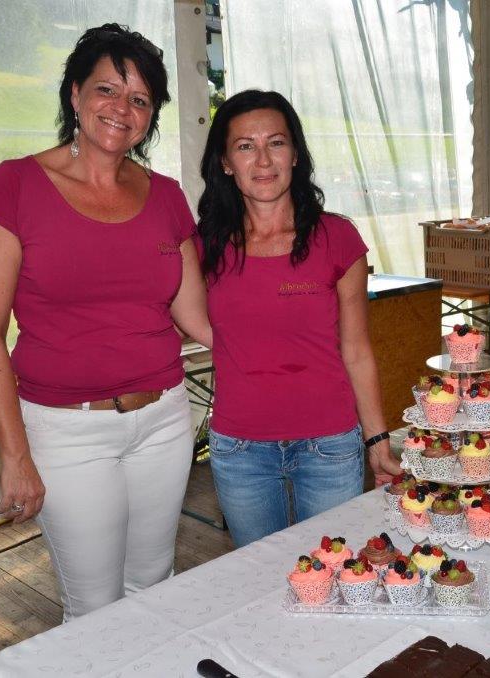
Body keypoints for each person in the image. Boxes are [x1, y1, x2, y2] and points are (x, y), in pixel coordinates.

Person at [0, 24, 209, 620]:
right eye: (107, 89)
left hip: (164, 420)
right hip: (66, 431)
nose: (121, 109)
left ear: (150, 116)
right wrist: (15, 456)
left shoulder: (166, 196)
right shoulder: (15, 187)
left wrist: (288, 332)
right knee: (95, 610)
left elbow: (197, 317)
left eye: (139, 99)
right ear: (74, 93)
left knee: (154, 587)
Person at [195, 89, 402, 547]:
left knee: (336, 572)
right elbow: (179, 314)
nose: (263, 160)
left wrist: (377, 440)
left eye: (276, 142)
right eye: (245, 146)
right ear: (225, 162)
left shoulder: (338, 238)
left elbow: (356, 349)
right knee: (257, 577)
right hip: (240, 451)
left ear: (295, 154)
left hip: (329, 446)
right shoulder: (205, 246)